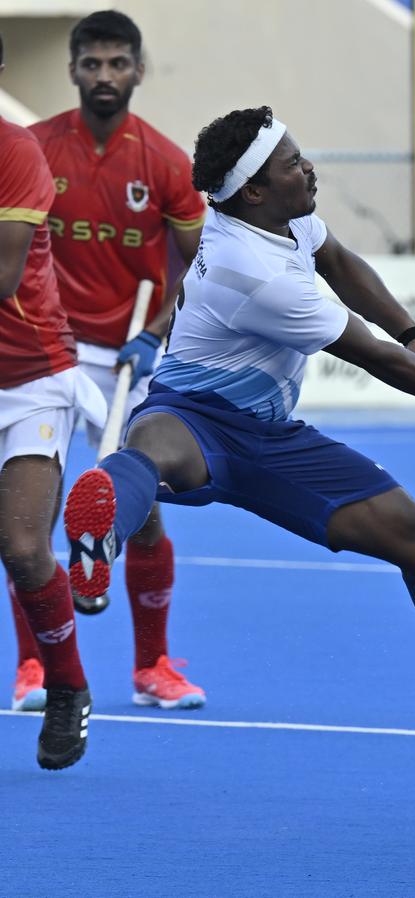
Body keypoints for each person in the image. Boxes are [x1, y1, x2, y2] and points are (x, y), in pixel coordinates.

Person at [62, 105, 415, 743]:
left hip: (271, 438)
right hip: (193, 411)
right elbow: (371, 355)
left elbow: (338, 259)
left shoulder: (277, 218)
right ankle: (98, 543)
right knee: (151, 447)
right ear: (254, 189)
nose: (308, 167)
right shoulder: (252, 272)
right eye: (292, 163)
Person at [21, 10, 210, 711]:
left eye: (118, 63)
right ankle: (34, 668)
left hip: (130, 354)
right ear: (72, 69)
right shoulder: (35, 149)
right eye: (92, 64)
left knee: (140, 510)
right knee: (31, 520)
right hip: (45, 351)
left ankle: (151, 665)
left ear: (137, 69)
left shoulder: (164, 163)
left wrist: (155, 332)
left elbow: (202, 268)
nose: (105, 76)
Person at [0, 31, 99, 768]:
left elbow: (3, 277)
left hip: (32, 373)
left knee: (25, 547)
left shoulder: (15, 153)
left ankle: (65, 688)